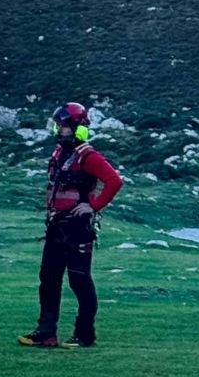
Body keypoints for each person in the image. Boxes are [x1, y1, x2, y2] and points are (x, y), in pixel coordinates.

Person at [18, 103, 124, 349]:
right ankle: (46, 333)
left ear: (77, 128)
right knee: (49, 278)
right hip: (56, 226)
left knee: (79, 280)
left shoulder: (89, 156)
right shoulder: (58, 153)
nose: (59, 130)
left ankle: (85, 334)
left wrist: (93, 206)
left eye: (64, 126)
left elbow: (114, 181)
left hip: (78, 227)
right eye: (58, 125)